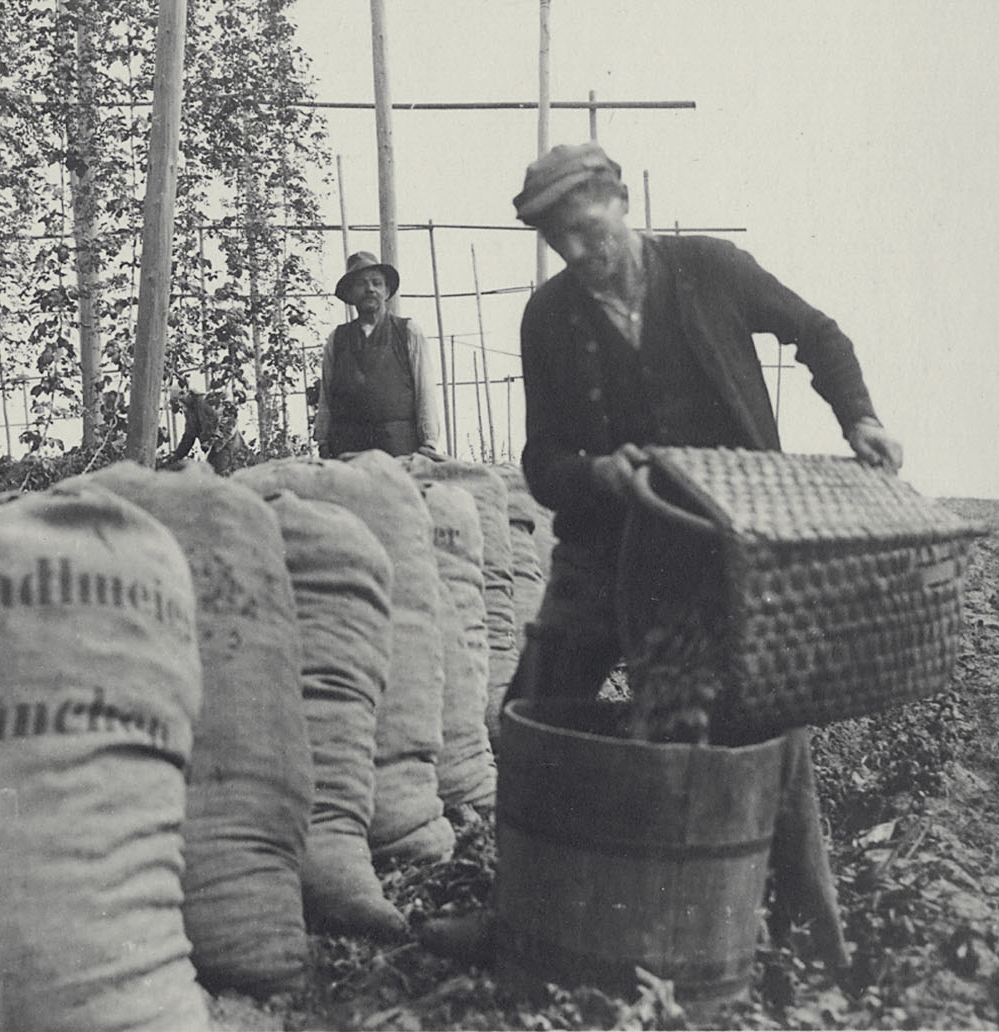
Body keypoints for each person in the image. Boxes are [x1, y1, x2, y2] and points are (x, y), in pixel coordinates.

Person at [423, 142, 902, 969]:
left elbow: (817, 333)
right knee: (531, 713)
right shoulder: (550, 318)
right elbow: (542, 463)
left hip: (727, 550)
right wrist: (599, 474)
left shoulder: (709, 269)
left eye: (585, 227)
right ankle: (519, 917)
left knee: (760, 730)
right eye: (558, 241)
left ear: (620, 198)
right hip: (606, 554)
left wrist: (857, 417)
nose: (578, 251)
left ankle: (805, 931)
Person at [313, 251, 446, 460]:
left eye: (377, 283)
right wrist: (322, 440)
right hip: (348, 450)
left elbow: (425, 390)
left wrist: (429, 441)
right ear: (350, 294)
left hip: (398, 448)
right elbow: (326, 397)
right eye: (361, 284)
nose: (370, 289)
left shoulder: (408, 332)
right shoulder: (337, 339)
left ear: (387, 291)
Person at [162, 384, 247, 475]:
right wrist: (176, 456)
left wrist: (215, 442)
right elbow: (189, 437)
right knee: (212, 475)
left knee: (223, 477)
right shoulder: (190, 412)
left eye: (179, 402)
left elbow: (229, 418)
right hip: (214, 450)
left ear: (184, 394)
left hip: (229, 445)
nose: (180, 407)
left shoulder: (205, 402)